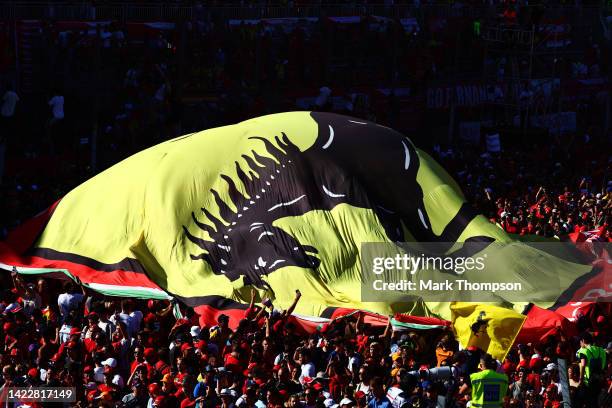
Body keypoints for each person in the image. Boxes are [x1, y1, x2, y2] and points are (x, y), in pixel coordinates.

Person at [576, 332, 606, 406]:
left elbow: (583, 365)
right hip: (600, 380)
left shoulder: (583, 351)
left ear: (583, 340)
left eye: (580, 341)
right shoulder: (601, 350)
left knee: (589, 403)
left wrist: (580, 380)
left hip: (588, 383)